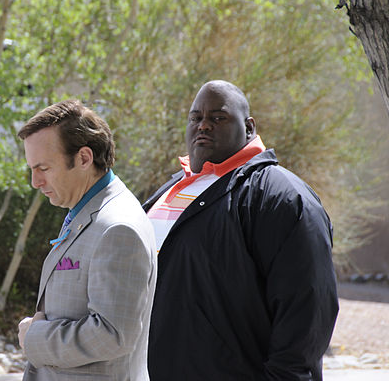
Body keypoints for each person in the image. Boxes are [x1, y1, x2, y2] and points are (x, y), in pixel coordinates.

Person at [144, 80, 339, 380]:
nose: (203, 126)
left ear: (249, 127)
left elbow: (306, 310)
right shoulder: (169, 190)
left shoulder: (281, 197)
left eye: (218, 118)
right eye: (196, 118)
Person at [17, 99, 157, 381]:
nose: (35, 181)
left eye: (43, 168)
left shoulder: (118, 227)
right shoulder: (87, 209)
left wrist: (35, 337)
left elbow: (113, 334)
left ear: (83, 158)